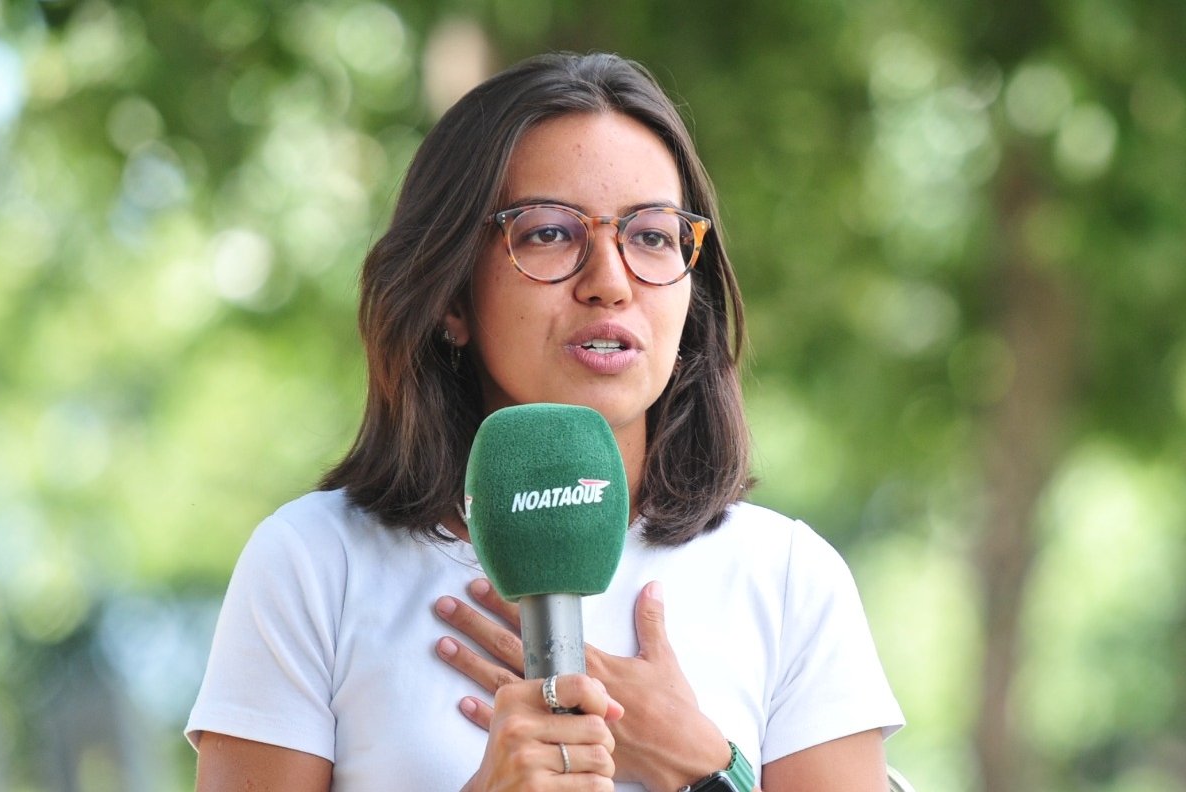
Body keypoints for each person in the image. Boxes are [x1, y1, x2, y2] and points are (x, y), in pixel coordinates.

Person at [186, 51, 903, 791]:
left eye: (652, 235)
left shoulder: (784, 578)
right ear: (452, 299)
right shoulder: (313, 566)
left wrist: (706, 770)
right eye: (550, 233)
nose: (611, 282)